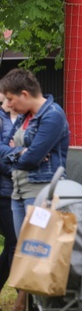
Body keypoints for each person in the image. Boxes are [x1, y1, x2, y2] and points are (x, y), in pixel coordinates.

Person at [0, 69, 70, 234]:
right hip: (18, 192)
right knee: (24, 251)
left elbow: (31, 159)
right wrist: (21, 151)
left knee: (39, 250)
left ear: (24, 94)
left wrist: (15, 153)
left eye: (10, 99)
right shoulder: (24, 116)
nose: (8, 105)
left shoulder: (53, 115)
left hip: (41, 192)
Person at [0, 93, 19, 292]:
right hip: (4, 193)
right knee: (15, 242)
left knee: (14, 243)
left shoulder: (29, 120)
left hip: (24, 192)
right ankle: (23, 298)